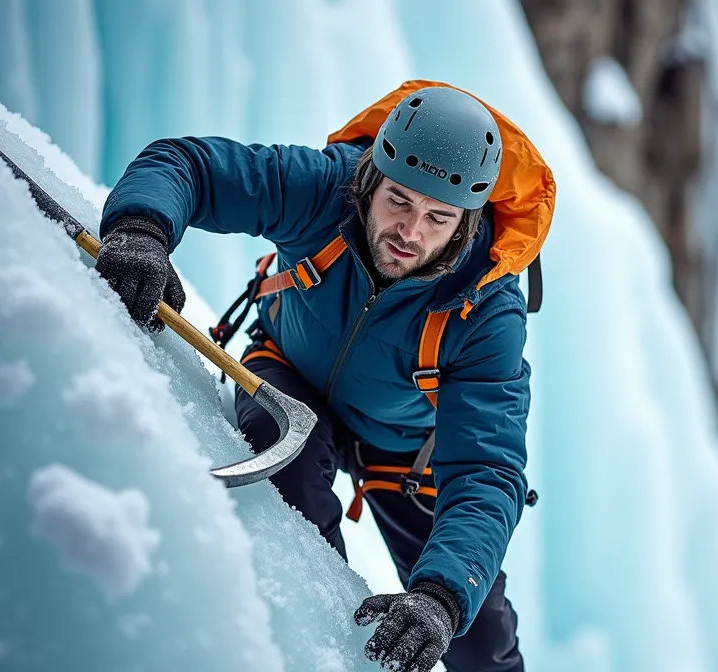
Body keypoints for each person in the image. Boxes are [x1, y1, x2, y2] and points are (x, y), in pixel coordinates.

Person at [93, 81, 554, 671]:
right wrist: (142, 229)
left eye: (438, 218)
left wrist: (441, 595)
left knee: (477, 639)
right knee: (287, 479)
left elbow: (485, 471)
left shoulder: (486, 308)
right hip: (289, 373)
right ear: (370, 179)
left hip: (409, 454)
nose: (410, 233)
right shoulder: (322, 190)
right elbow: (189, 166)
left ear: (466, 224)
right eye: (399, 202)